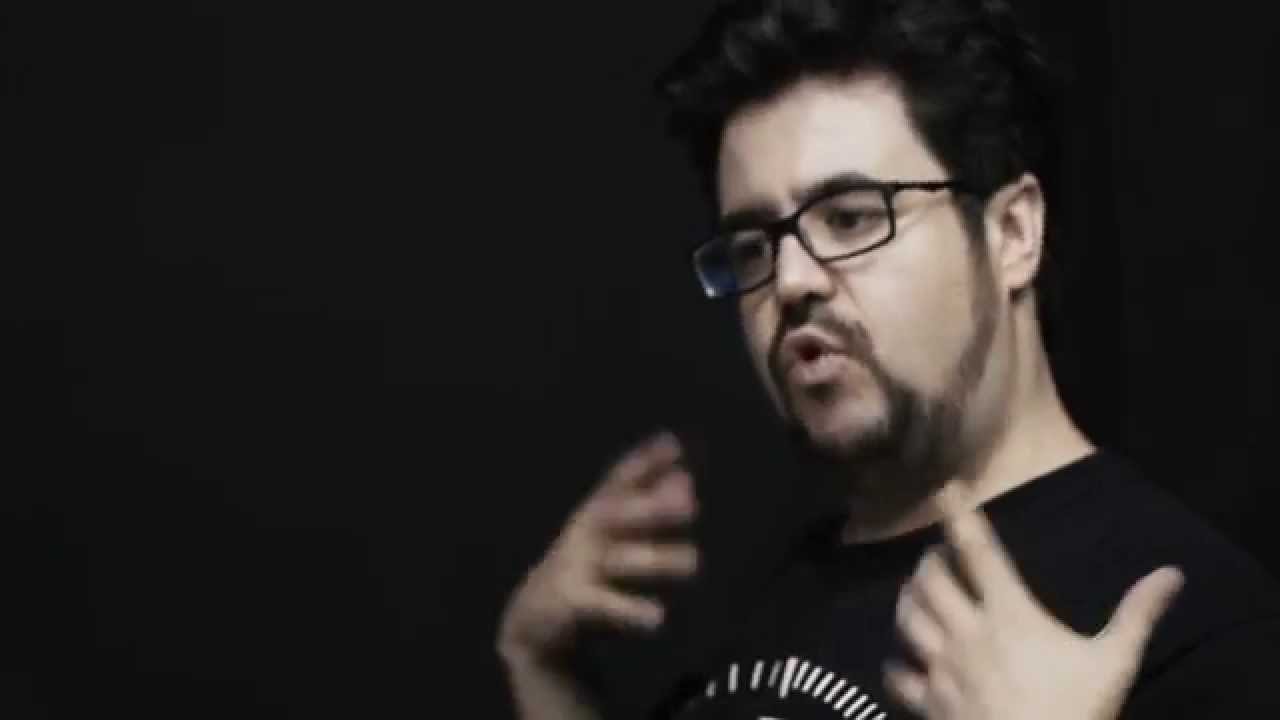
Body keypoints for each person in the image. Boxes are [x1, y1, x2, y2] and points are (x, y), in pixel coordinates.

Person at [496, 0, 1280, 717]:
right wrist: (541, 668)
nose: (791, 281)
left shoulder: (1189, 626)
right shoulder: (762, 600)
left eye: (850, 217)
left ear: (1013, 234)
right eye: (754, 244)